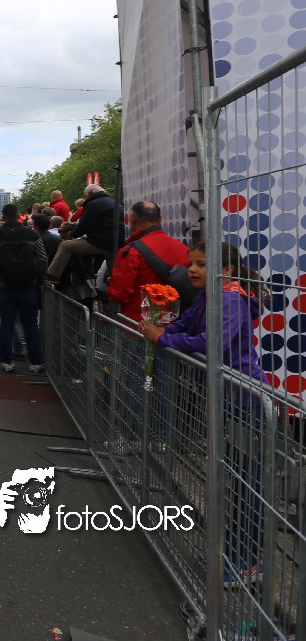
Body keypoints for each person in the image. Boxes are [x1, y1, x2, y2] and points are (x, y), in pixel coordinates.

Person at [136, 240, 265, 586]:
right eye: (191, 263)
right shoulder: (210, 296)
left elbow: (211, 343)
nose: (191, 269)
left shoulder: (229, 299)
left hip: (244, 402)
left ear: (226, 270)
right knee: (235, 481)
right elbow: (186, 325)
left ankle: (249, 560)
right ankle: (236, 551)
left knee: (246, 485)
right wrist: (160, 328)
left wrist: (162, 339)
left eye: (201, 264)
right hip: (229, 400)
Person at [0, 203, 48, 375]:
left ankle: (6, 360)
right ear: (18, 215)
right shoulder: (31, 233)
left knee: (7, 323)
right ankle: (36, 362)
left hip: (5, 285)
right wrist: (39, 280)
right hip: (28, 285)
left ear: (3, 216)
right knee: (31, 325)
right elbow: (42, 259)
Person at [106, 201, 190, 323]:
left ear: (132, 218)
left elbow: (119, 294)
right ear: (160, 219)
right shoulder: (183, 249)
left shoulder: (130, 252)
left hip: (138, 323)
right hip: (176, 324)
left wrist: (109, 283)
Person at [46, 183, 116, 282]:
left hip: (101, 241)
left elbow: (84, 224)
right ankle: (115, 284)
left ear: (90, 193)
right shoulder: (113, 202)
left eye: (85, 195)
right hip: (116, 241)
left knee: (65, 246)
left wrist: (71, 234)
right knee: (113, 271)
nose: (85, 198)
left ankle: (52, 277)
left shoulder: (93, 204)